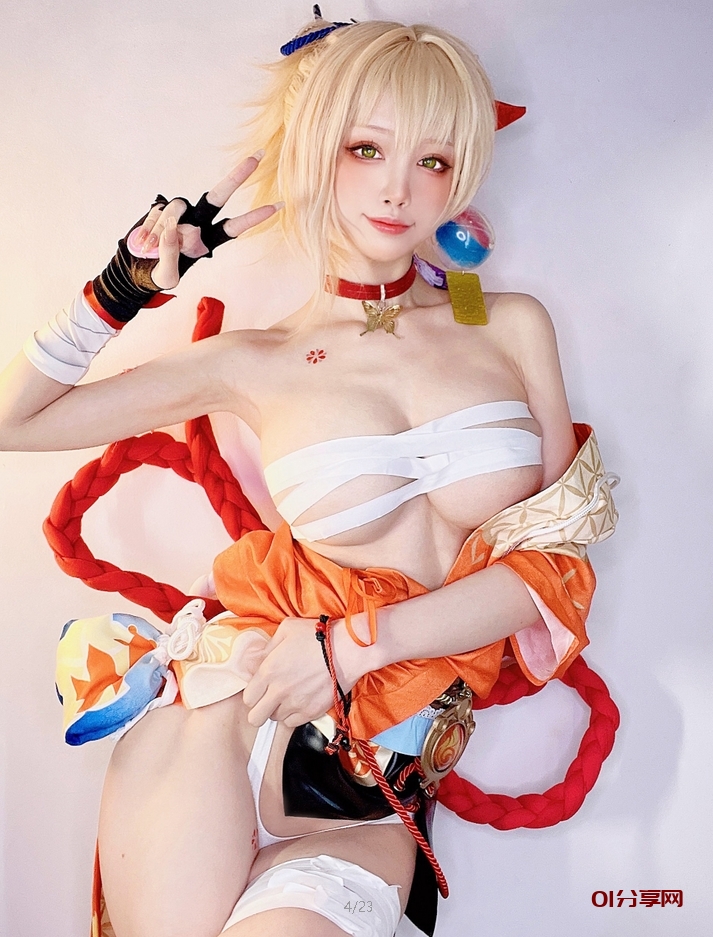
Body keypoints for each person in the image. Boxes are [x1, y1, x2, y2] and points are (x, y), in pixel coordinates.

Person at [0, 13, 617, 937]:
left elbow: (554, 572)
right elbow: (15, 422)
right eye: (366, 149)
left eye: (433, 161)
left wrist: (348, 647)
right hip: (217, 723)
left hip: (370, 793)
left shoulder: (511, 324)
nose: (398, 189)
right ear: (317, 149)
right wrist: (124, 290)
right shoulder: (254, 360)